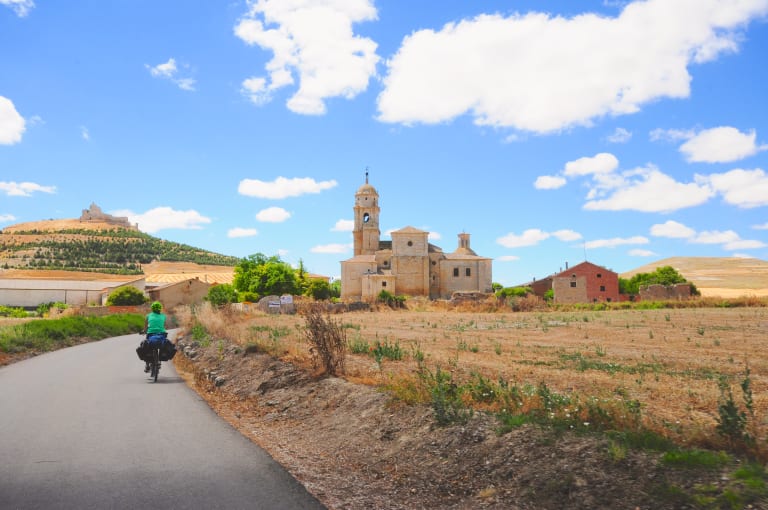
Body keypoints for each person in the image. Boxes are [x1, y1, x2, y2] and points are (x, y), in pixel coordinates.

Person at [142, 301, 168, 373]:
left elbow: (146, 327)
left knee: (147, 348)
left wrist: (144, 331)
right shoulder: (163, 316)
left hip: (151, 334)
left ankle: (147, 366)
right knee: (162, 345)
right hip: (161, 334)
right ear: (160, 309)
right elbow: (165, 326)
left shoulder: (148, 316)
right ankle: (159, 360)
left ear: (152, 309)